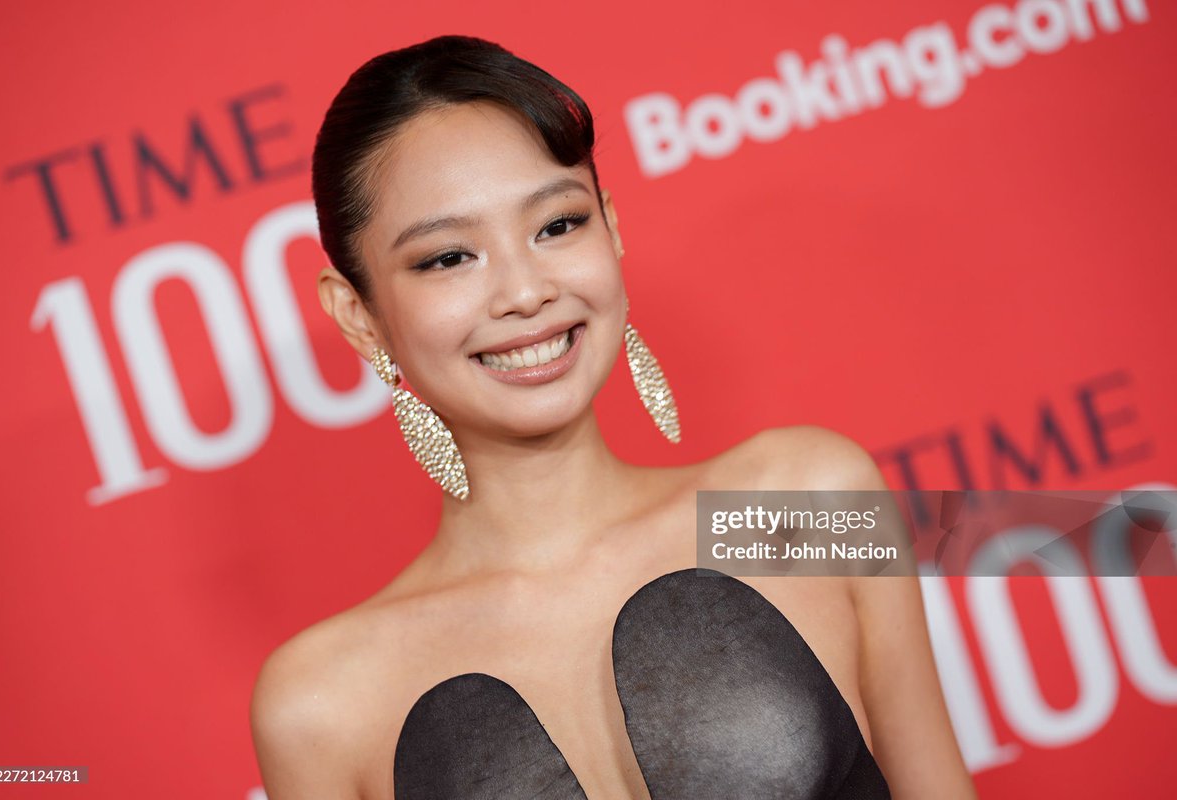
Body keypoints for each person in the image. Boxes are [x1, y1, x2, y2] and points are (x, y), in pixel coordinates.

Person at [250, 34, 978, 800]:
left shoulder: (803, 504)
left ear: (612, 228)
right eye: (447, 258)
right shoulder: (323, 703)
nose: (525, 291)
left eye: (557, 225)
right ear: (358, 315)